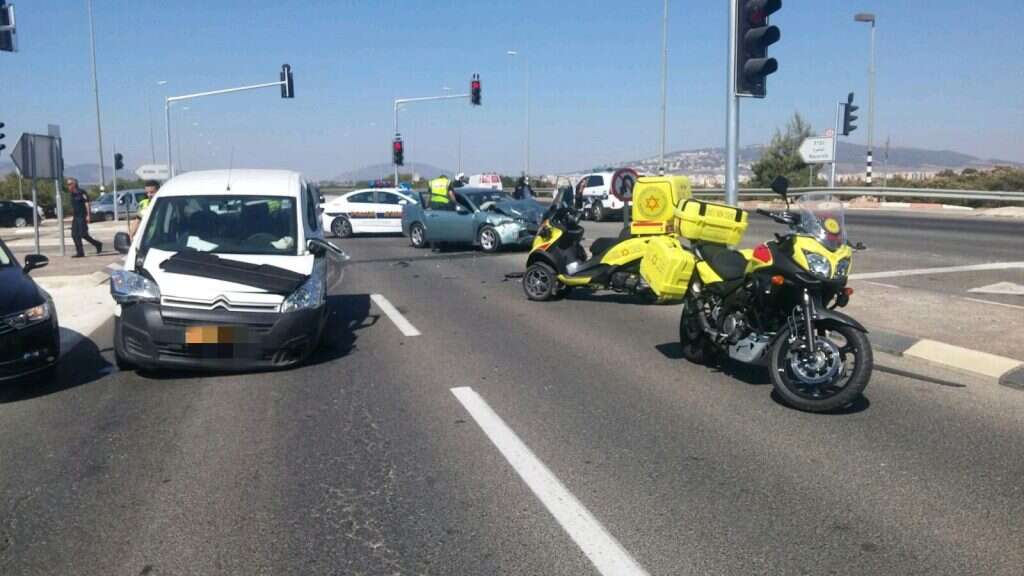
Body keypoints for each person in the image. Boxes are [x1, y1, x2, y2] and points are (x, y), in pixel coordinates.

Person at [67, 178, 102, 257]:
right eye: (68, 184)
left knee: (83, 234)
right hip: (76, 217)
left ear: (74, 184)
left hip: (82, 216)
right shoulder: (72, 194)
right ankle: (80, 252)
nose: (68, 186)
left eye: (69, 184)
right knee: (74, 235)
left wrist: (88, 215)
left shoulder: (81, 192)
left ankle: (97, 244)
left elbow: (87, 203)